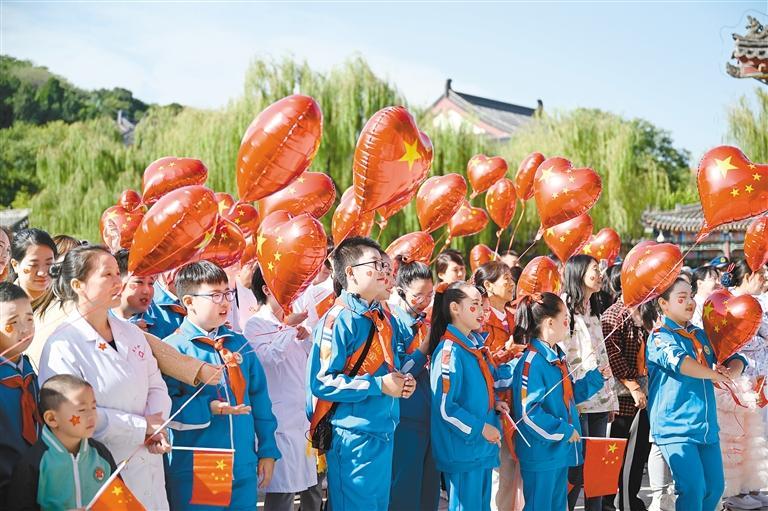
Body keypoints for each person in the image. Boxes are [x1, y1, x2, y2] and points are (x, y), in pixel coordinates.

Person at [38, 245, 172, 509]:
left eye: (117, 273)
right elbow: (70, 415)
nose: (117, 281)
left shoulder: (132, 333)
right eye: (107, 274)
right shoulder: (62, 345)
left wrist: (157, 424)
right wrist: (140, 427)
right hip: (100, 469)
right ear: (78, 285)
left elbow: (156, 385)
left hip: (150, 460)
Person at [306, 236, 414, 511]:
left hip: (383, 430)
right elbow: (322, 381)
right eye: (376, 265)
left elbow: (389, 367)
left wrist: (401, 382)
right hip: (352, 436)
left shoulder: (383, 317)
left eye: (385, 265)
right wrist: (378, 385)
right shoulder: (337, 320)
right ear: (350, 272)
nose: (384, 271)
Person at [163, 261, 280, 511]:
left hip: (243, 460)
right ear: (189, 301)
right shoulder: (173, 350)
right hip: (204, 463)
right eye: (215, 295)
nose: (225, 302)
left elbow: (259, 399)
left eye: (228, 293)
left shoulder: (238, 344)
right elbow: (164, 409)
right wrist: (209, 408)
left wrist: (267, 449)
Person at [647, 277, 747, 511]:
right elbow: (682, 363)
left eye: (691, 296)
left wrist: (731, 371)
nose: (690, 302)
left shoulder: (701, 335)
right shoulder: (660, 336)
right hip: (675, 427)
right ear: (663, 304)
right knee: (692, 488)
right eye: (681, 298)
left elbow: (734, 357)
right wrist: (715, 375)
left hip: (705, 427)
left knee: (714, 488)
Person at [511, 292, 608, 511]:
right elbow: (529, 413)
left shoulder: (557, 356)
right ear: (550, 323)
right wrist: (563, 430)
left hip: (558, 452)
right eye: (565, 317)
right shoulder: (532, 362)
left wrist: (595, 378)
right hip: (542, 453)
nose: (568, 322)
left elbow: (569, 395)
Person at [428, 281, 515, 511]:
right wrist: (481, 428)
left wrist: (494, 404)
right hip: (464, 450)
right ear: (455, 308)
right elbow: (446, 407)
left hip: (480, 448)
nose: (482, 311)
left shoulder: (471, 346)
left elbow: (475, 391)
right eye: (474, 305)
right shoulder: (449, 351)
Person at [243, 266, 320, 511]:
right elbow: (267, 359)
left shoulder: (292, 324)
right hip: (278, 421)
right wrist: (288, 328)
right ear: (266, 289)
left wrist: (305, 336)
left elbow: (310, 363)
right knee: (281, 492)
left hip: (301, 418)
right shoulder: (254, 325)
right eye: (287, 289)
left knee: (308, 486)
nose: (294, 295)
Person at [9, 375, 120, 511]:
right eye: (82, 410)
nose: (92, 416)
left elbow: (121, 502)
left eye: (93, 407)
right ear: (52, 419)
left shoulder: (101, 455)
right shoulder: (34, 463)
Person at [561, 255, 618, 511]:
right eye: (595, 269)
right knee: (576, 469)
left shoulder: (595, 307)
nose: (600, 274)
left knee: (598, 470)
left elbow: (602, 354)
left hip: (600, 398)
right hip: (579, 397)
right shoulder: (564, 307)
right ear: (579, 272)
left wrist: (612, 398)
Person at [714, 261, 768, 510]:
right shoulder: (726, 304)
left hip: (758, 382)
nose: (765, 279)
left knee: (754, 437)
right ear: (747, 276)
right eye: (761, 275)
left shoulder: (759, 303)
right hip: (736, 382)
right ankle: (732, 493)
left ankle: (749, 487)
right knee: (734, 440)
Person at [387, 259, 439, 511]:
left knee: (429, 488)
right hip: (405, 418)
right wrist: (424, 348)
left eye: (430, 294)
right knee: (404, 488)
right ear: (401, 291)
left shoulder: (427, 320)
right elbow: (400, 371)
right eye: (418, 296)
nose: (425, 300)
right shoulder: (392, 323)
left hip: (430, 416)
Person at [473, 261, 525, 511]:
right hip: (494, 403)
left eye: (512, 279)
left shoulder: (517, 316)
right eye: (506, 279)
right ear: (488, 286)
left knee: (515, 472)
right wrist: (505, 352)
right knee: (499, 472)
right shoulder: (479, 318)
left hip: (517, 400)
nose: (512, 284)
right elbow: (480, 361)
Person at [601, 275, 655, 511]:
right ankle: (612, 503)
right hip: (622, 397)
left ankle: (630, 500)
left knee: (638, 453)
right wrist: (633, 386)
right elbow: (612, 357)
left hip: (642, 393)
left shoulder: (644, 312)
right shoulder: (614, 314)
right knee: (615, 456)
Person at [0, 282, 39, 506]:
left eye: (30, 319)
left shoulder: (28, 368)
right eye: (12, 324)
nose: (25, 330)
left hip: (35, 483)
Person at [111, 249, 157, 330]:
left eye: (151, 283)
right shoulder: (100, 322)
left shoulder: (164, 323)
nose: (146, 291)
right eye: (139, 282)